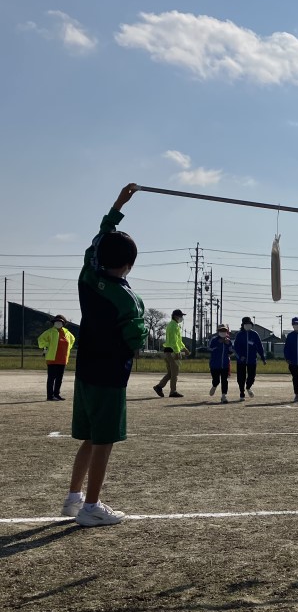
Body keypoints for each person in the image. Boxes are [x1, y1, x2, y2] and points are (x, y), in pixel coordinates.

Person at [64, 183, 147, 527]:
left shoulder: (87, 275)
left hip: (86, 370)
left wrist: (117, 205)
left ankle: (73, 499)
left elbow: (100, 238)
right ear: (128, 265)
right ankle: (91, 506)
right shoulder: (127, 300)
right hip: (110, 375)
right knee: (104, 441)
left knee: (90, 437)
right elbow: (135, 338)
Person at [38, 315, 76, 401]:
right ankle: (50, 396)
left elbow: (72, 340)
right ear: (54, 323)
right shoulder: (49, 332)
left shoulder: (67, 333)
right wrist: (46, 346)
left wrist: (68, 348)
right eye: (56, 322)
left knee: (59, 378)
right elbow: (41, 340)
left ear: (63, 323)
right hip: (52, 358)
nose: (58, 323)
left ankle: (57, 394)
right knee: (51, 378)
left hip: (62, 359)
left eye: (60, 322)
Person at [154, 309, 189, 398]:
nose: (182, 318)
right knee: (174, 372)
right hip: (172, 351)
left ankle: (159, 387)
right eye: (181, 316)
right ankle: (173, 391)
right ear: (176, 316)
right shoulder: (173, 326)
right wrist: (177, 352)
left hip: (169, 350)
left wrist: (184, 348)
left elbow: (178, 340)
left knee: (170, 373)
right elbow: (174, 341)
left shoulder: (173, 325)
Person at [234, 316, 266, 400]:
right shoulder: (239, 335)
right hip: (241, 360)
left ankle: (248, 387)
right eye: (246, 324)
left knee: (252, 376)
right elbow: (236, 348)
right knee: (241, 377)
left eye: (249, 324)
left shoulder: (254, 334)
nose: (247, 325)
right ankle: (242, 392)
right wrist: (240, 356)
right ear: (243, 325)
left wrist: (262, 357)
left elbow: (259, 346)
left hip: (252, 359)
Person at [208, 325, 233, 403]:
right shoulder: (214, 340)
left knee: (224, 380)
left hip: (225, 364)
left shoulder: (228, 341)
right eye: (221, 331)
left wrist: (228, 344)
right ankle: (214, 386)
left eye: (224, 331)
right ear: (218, 331)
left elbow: (231, 352)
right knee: (216, 380)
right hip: (215, 364)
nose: (223, 332)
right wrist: (218, 344)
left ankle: (224, 396)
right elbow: (209, 348)